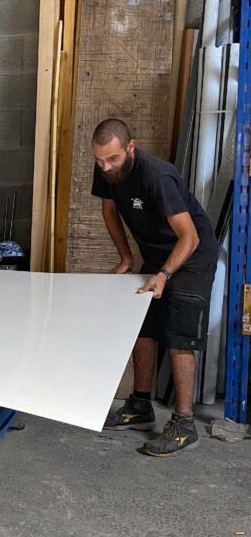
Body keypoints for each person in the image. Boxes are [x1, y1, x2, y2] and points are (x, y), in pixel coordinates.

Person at [91, 118, 219, 456]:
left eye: (113, 159)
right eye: (100, 160)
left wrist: (164, 273)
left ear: (130, 147)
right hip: (158, 253)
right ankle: (140, 405)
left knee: (178, 334)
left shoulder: (157, 176)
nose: (106, 167)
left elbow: (189, 236)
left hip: (191, 254)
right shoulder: (106, 169)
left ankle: (184, 424)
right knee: (142, 325)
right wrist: (125, 257)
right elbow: (109, 211)